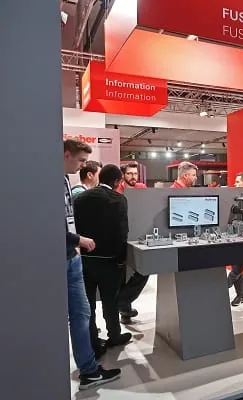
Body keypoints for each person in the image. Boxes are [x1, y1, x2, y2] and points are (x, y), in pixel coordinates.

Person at [63, 139, 121, 389]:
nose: (83, 166)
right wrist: (79, 240)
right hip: (66, 255)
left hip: (73, 257)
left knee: (82, 313)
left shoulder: (66, 181)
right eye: (81, 160)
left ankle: (89, 370)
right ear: (66, 154)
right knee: (80, 314)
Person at [74, 164, 132, 355]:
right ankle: (114, 335)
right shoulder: (118, 199)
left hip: (85, 258)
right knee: (110, 301)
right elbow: (122, 233)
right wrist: (122, 259)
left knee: (88, 303)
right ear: (117, 181)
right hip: (109, 260)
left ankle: (93, 343)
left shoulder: (81, 198)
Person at [115, 162, 148, 324]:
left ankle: (123, 303)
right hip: (121, 237)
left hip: (139, 234)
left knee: (144, 270)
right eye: (129, 173)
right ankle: (124, 311)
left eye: (135, 173)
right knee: (122, 274)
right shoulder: (117, 191)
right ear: (123, 175)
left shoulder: (142, 188)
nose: (133, 176)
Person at [228, 172, 243, 306]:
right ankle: (241, 295)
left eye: (237, 182)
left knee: (237, 269)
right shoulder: (236, 198)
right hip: (236, 237)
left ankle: (225, 285)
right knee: (236, 266)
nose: (235, 184)